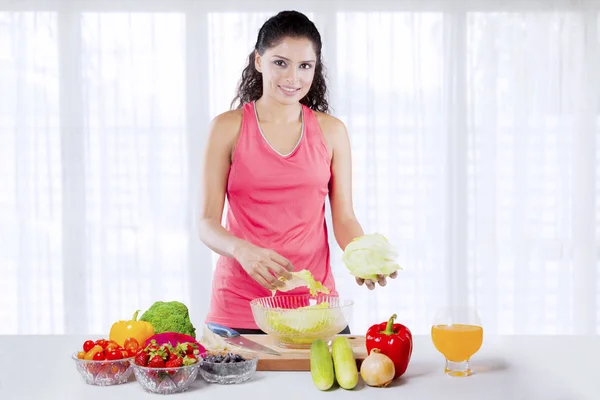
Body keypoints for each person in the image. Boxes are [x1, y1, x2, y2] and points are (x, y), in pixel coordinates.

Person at [198, 10, 397, 334]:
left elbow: (344, 218)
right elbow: (206, 223)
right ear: (259, 61)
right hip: (238, 311)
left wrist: (364, 255)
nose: (293, 78)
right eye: (281, 62)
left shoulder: (332, 132)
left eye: (305, 66)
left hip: (315, 310)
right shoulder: (227, 128)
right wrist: (241, 250)